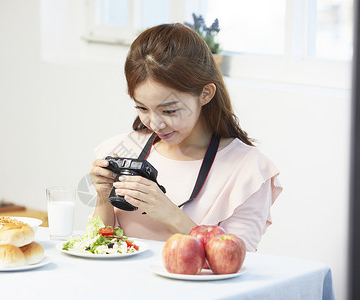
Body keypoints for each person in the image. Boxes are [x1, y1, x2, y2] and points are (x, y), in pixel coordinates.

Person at [90, 23, 282, 252]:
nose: (155, 123)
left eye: (169, 111)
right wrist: (103, 196)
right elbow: (97, 245)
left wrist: (172, 215)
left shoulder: (248, 170)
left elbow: (239, 260)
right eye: (142, 108)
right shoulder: (123, 148)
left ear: (205, 94)